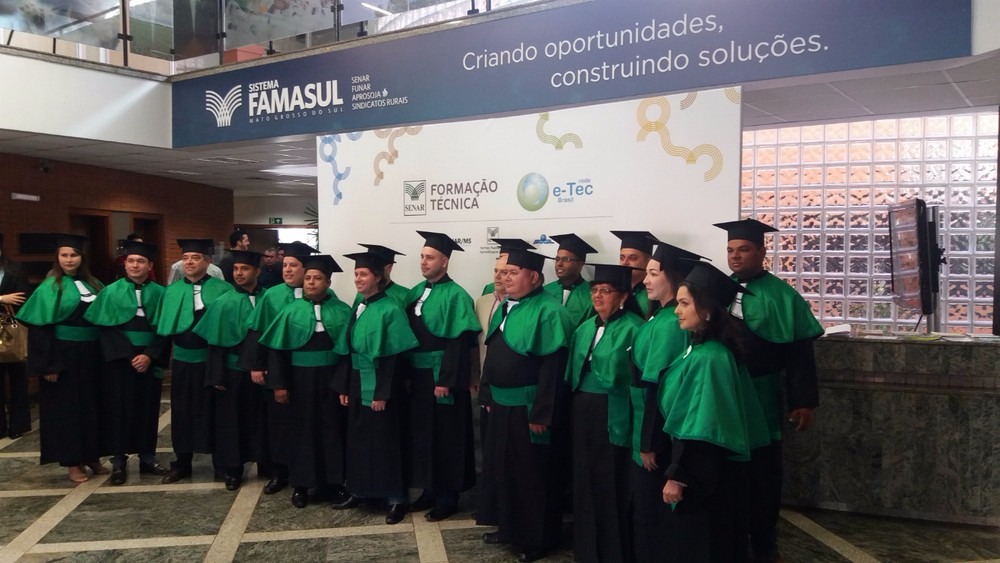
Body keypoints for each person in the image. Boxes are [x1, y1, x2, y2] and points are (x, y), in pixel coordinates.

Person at [714, 219, 824, 563]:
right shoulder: (717, 289)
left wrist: (802, 401)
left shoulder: (782, 296)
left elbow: (799, 353)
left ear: (761, 251)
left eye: (743, 249)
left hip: (761, 397)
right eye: (731, 250)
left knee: (762, 474)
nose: (735, 257)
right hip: (723, 396)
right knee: (725, 469)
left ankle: (764, 543)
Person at [658, 262, 770, 562]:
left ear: (707, 311)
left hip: (706, 475)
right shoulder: (707, 349)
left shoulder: (709, 358)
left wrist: (678, 476)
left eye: (684, 304)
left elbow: (702, 426)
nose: (676, 310)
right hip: (715, 473)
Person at [479, 249, 571, 562]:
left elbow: (552, 368)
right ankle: (509, 528)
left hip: (529, 408)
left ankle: (537, 538)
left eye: (512, 272)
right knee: (504, 470)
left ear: (533, 276)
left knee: (533, 475)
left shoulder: (549, 310)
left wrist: (542, 412)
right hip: (503, 406)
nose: (504, 278)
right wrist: (488, 394)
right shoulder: (506, 305)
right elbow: (494, 353)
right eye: (502, 273)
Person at [629, 239, 706, 562]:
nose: (645, 280)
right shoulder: (657, 318)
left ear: (672, 277)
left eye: (653, 273)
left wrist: (648, 442)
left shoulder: (670, 326)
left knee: (657, 513)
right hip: (644, 425)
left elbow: (656, 386)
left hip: (659, 432)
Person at [258, 255, 352, 508]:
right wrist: (279, 385)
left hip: (330, 382)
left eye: (317, 278)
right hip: (299, 383)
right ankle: (301, 485)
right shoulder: (290, 311)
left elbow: (347, 354)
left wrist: (343, 384)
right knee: (301, 433)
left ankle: (333, 483)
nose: (311, 283)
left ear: (328, 282)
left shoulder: (343, 310)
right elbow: (277, 352)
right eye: (308, 278)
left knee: (332, 431)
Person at [564, 264, 643, 563]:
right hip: (583, 409)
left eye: (605, 291)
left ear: (622, 296)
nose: (597, 296)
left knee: (611, 480)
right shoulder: (585, 327)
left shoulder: (636, 327)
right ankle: (587, 550)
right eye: (594, 291)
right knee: (584, 478)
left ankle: (614, 552)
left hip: (614, 411)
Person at [334, 250, 418, 525]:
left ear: (378, 278)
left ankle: (395, 498)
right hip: (358, 382)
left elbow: (393, 358)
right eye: (356, 274)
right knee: (358, 440)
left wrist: (382, 393)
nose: (358, 278)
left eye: (363, 274)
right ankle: (360, 489)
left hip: (382, 386)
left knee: (386, 442)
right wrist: (346, 386)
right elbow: (349, 350)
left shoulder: (391, 309)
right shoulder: (361, 306)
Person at [16, 233, 107, 483]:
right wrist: (48, 364)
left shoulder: (94, 284)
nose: (69, 260)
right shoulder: (50, 287)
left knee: (93, 406)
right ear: (57, 258)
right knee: (67, 411)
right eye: (64, 255)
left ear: (82, 258)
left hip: (90, 356)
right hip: (62, 358)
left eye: (74, 255)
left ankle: (92, 456)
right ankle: (72, 462)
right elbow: (40, 329)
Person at [404, 231, 480, 522]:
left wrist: (446, 380)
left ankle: (448, 496)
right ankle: (428, 490)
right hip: (419, 377)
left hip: (442, 379)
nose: (423, 262)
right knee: (423, 436)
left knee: (446, 437)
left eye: (430, 257)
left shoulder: (457, 295)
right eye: (422, 256)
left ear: (445, 261)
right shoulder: (416, 291)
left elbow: (459, 343)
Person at [84, 240, 170, 485]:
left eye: (140, 261)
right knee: (118, 410)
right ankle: (119, 461)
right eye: (131, 261)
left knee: (148, 409)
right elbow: (106, 328)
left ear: (149, 265)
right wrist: (129, 355)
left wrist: (149, 355)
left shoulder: (160, 293)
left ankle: (147, 458)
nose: (135, 265)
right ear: (125, 264)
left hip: (148, 360)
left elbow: (165, 329)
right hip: (120, 361)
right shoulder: (110, 292)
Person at [239, 240, 316, 495]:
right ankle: (279, 472)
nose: (287, 270)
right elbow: (257, 331)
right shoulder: (272, 295)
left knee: (305, 423)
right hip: (276, 368)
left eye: (293, 265)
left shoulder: (320, 294)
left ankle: (305, 473)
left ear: (306, 269)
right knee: (279, 424)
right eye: (285, 265)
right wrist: (256, 366)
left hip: (306, 372)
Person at [156, 238, 234, 483]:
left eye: (195, 258)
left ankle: (221, 464)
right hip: (182, 362)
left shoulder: (223, 290)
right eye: (186, 258)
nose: (189, 262)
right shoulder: (172, 291)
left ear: (208, 262)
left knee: (216, 413)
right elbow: (164, 328)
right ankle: (182, 463)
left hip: (212, 362)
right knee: (182, 413)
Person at [192, 249, 265, 491]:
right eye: (236, 269)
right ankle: (232, 469)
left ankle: (267, 462)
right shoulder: (223, 302)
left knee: (262, 420)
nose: (239, 273)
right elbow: (215, 343)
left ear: (257, 272)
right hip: (233, 372)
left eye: (245, 269)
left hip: (264, 372)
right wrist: (216, 375)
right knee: (231, 422)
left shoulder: (270, 298)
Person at [472, 252, 507, 528]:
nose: (498, 276)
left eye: (505, 271)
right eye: (496, 270)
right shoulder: (482, 302)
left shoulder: (524, 308)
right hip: (484, 384)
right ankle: (487, 502)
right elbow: (475, 342)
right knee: (485, 447)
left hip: (509, 390)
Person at [0, 233, 31, 439]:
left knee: (18, 379)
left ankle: (18, 425)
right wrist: (1, 297)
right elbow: (8, 297)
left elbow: (22, 297)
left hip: (12, 331)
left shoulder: (15, 268)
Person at [543, 233, 598, 328]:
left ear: (580, 264)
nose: (559, 264)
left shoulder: (593, 294)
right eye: (557, 259)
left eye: (566, 259)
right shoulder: (546, 291)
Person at [612, 230, 656, 318]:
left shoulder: (654, 295)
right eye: (622, 258)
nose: (625, 263)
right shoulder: (614, 290)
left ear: (648, 262)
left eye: (633, 258)